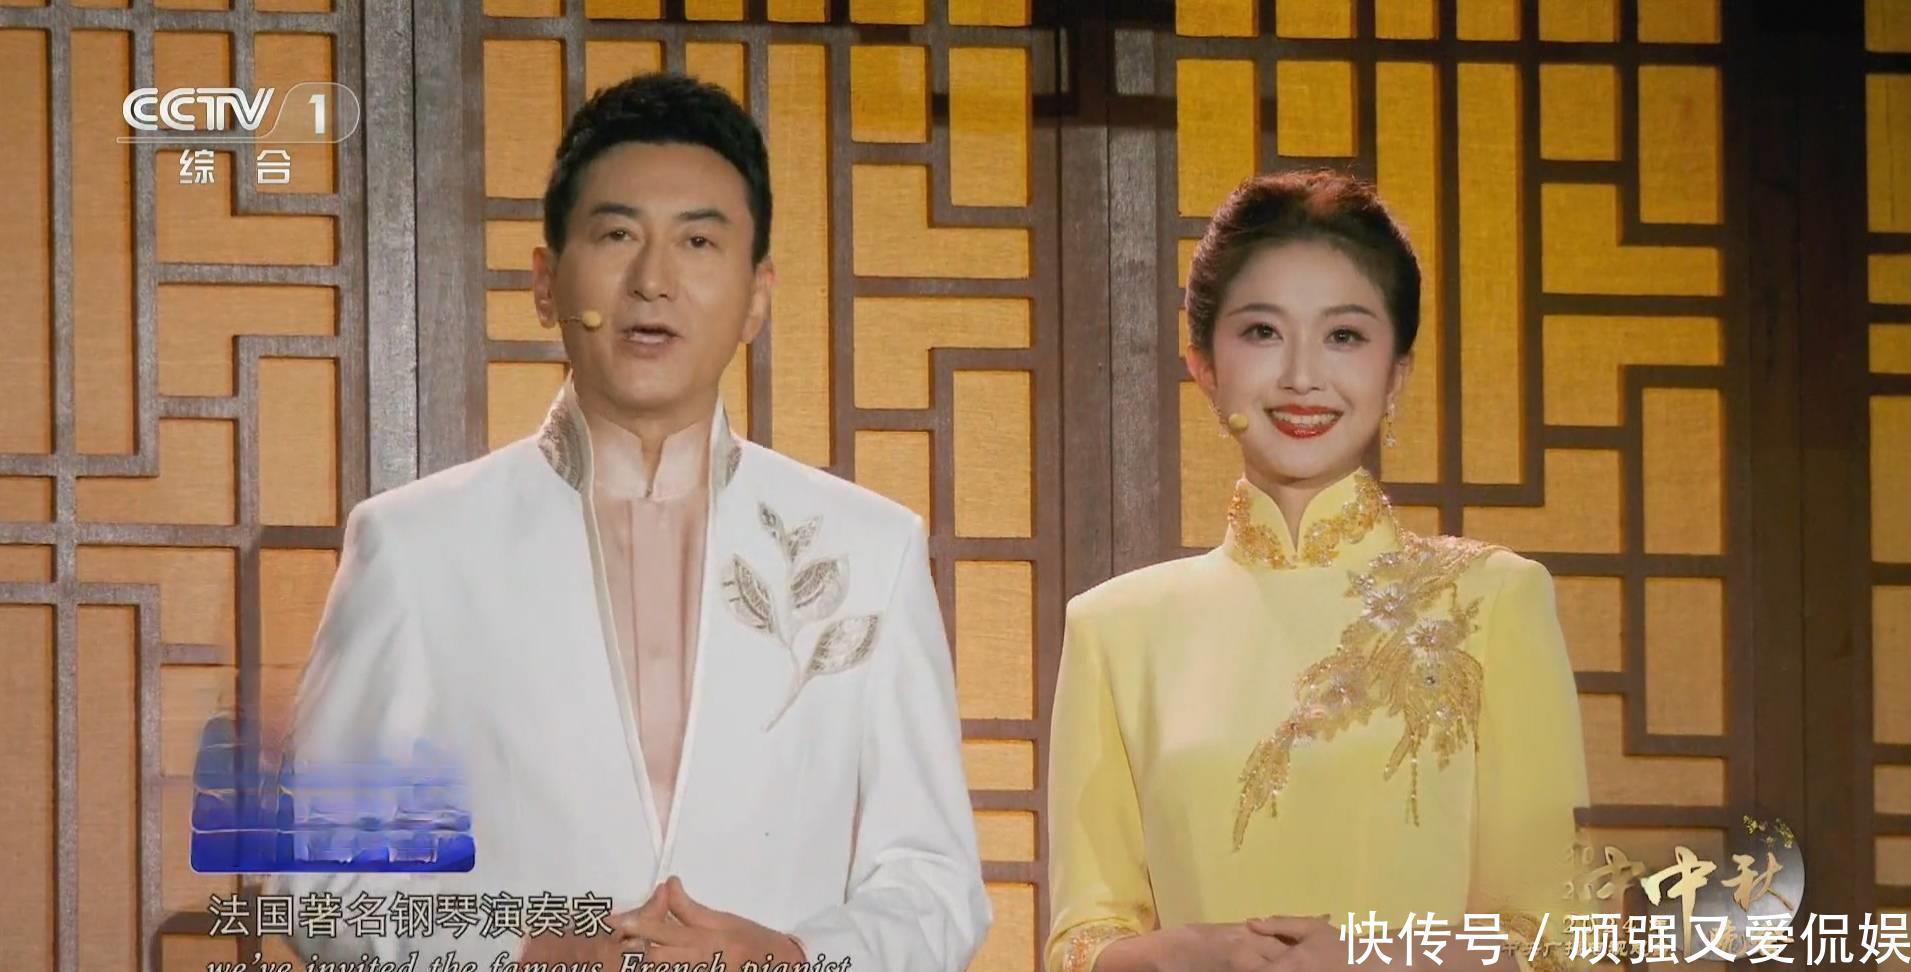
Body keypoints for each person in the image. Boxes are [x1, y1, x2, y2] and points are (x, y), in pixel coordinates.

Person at [272, 72, 989, 971]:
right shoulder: (415, 548)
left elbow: (935, 885)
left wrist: (790, 955)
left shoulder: (870, 551)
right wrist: (527, 955)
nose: (653, 282)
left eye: (698, 241)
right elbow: (322, 881)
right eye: (617, 235)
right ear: (545, 282)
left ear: (757, 295)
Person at [1044, 170, 1590, 972]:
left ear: (1396, 372)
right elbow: (1081, 944)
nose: (1302, 376)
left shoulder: (1493, 599)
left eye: (1345, 337)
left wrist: (1371, 959)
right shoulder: (1114, 629)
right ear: (1203, 363)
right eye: (1263, 331)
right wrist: (1186, 954)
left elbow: (1558, 941)